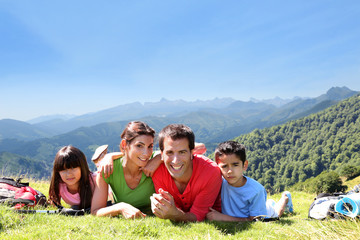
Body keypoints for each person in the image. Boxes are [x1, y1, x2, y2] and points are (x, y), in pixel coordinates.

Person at [206, 141, 293, 222]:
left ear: (244, 165)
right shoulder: (220, 182)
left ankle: (285, 198)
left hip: (260, 214)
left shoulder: (256, 190)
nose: (229, 171)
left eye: (235, 165)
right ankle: (269, 203)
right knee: (267, 205)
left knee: (277, 213)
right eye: (224, 166)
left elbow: (256, 220)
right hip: (256, 207)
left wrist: (222, 217)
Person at [150, 124, 222, 222]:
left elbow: (198, 216)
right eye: (169, 153)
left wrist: (175, 214)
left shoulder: (211, 173)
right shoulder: (158, 172)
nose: (175, 161)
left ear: (192, 153)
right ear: (161, 154)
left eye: (182, 152)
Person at [91, 121, 161, 218]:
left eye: (150, 146)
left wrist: (160, 157)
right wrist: (120, 207)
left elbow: (177, 153)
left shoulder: (156, 161)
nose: (146, 153)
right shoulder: (108, 168)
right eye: (139, 146)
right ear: (124, 145)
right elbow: (95, 211)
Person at [49, 145, 95, 210]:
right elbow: (53, 203)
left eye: (73, 168)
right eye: (63, 170)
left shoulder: (94, 180)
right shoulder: (59, 184)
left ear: (82, 167)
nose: (69, 174)